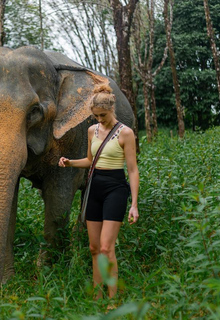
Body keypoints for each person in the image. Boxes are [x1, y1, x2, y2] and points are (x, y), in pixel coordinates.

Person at [58, 84, 139, 301]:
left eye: (103, 115)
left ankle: (113, 299)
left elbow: (132, 169)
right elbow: (90, 160)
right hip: (94, 187)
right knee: (94, 248)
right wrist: (70, 163)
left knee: (106, 247)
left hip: (115, 188)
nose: (100, 120)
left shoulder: (125, 133)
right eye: (96, 116)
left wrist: (134, 204)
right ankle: (96, 297)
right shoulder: (91, 131)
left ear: (112, 109)